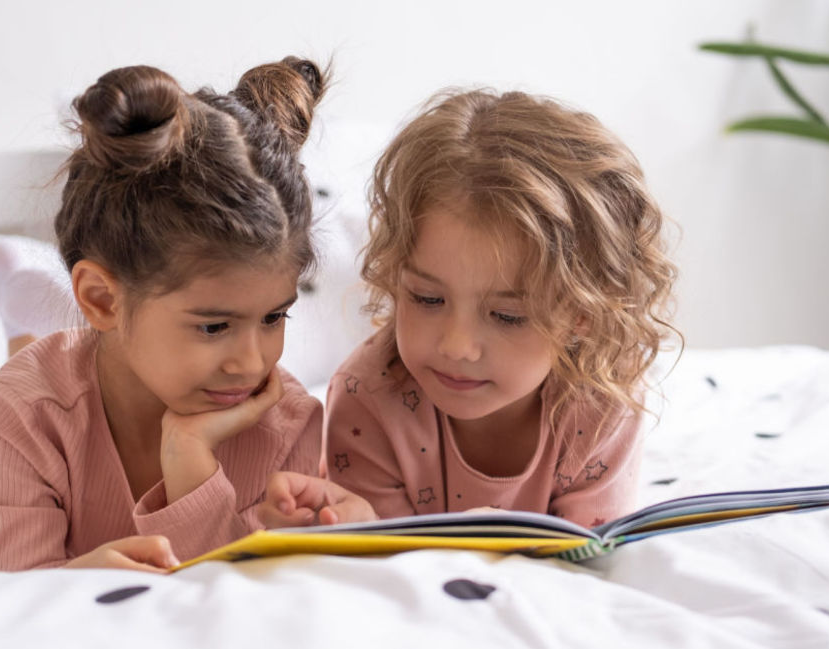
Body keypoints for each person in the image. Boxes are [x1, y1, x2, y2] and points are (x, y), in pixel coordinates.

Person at [0, 57, 328, 572]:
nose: (251, 364)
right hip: (51, 389)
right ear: (102, 300)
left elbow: (231, 589)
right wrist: (79, 576)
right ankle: (13, 304)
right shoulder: (23, 409)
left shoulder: (288, 421)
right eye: (214, 326)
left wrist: (190, 459)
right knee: (29, 367)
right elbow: (16, 589)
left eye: (274, 318)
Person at [262, 88, 679, 530]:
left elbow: (590, 553)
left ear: (583, 314)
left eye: (508, 316)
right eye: (427, 299)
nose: (457, 346)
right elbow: (388, 564)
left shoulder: (605, 398)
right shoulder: (368, 399)